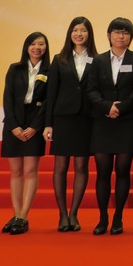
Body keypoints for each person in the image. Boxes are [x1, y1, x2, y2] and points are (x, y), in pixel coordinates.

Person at [86, 17, 133, 235]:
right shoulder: (97, 60)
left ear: (130, 37)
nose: (121, 36)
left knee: (122, 170)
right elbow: (91, 90)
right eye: (117, 32)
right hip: (102, 120)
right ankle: (103, 218)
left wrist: (121, 107)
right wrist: (107, 106)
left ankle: (118, 217)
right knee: (103, 171)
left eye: (125, 33)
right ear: (109, 35)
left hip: (127, 120)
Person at [43, 16, 98, 232]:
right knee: (60, 167)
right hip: (62, 118)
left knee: (81, 166)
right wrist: (48, 124)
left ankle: (74, 213)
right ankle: (62, 214)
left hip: (86, 118)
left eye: (83, 30)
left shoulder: (98, 58)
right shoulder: (60, 59)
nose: (79, 34)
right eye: (75, 30)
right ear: (70, 33)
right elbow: (51, 93)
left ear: (89, 34)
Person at [1, 31, 50, 235]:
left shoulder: (50, 71)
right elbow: (8, 97)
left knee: (30, 171)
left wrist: (35, 127)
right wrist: (13, 125)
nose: (37, 47)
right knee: (16, 172)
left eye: (41, 44)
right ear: (27, 46)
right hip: (14, 123)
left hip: (34, 123)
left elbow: (48, 102)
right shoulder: (15, 68)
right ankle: (15, 214)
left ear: (46, 48)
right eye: (33, 44)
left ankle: (23, 216)